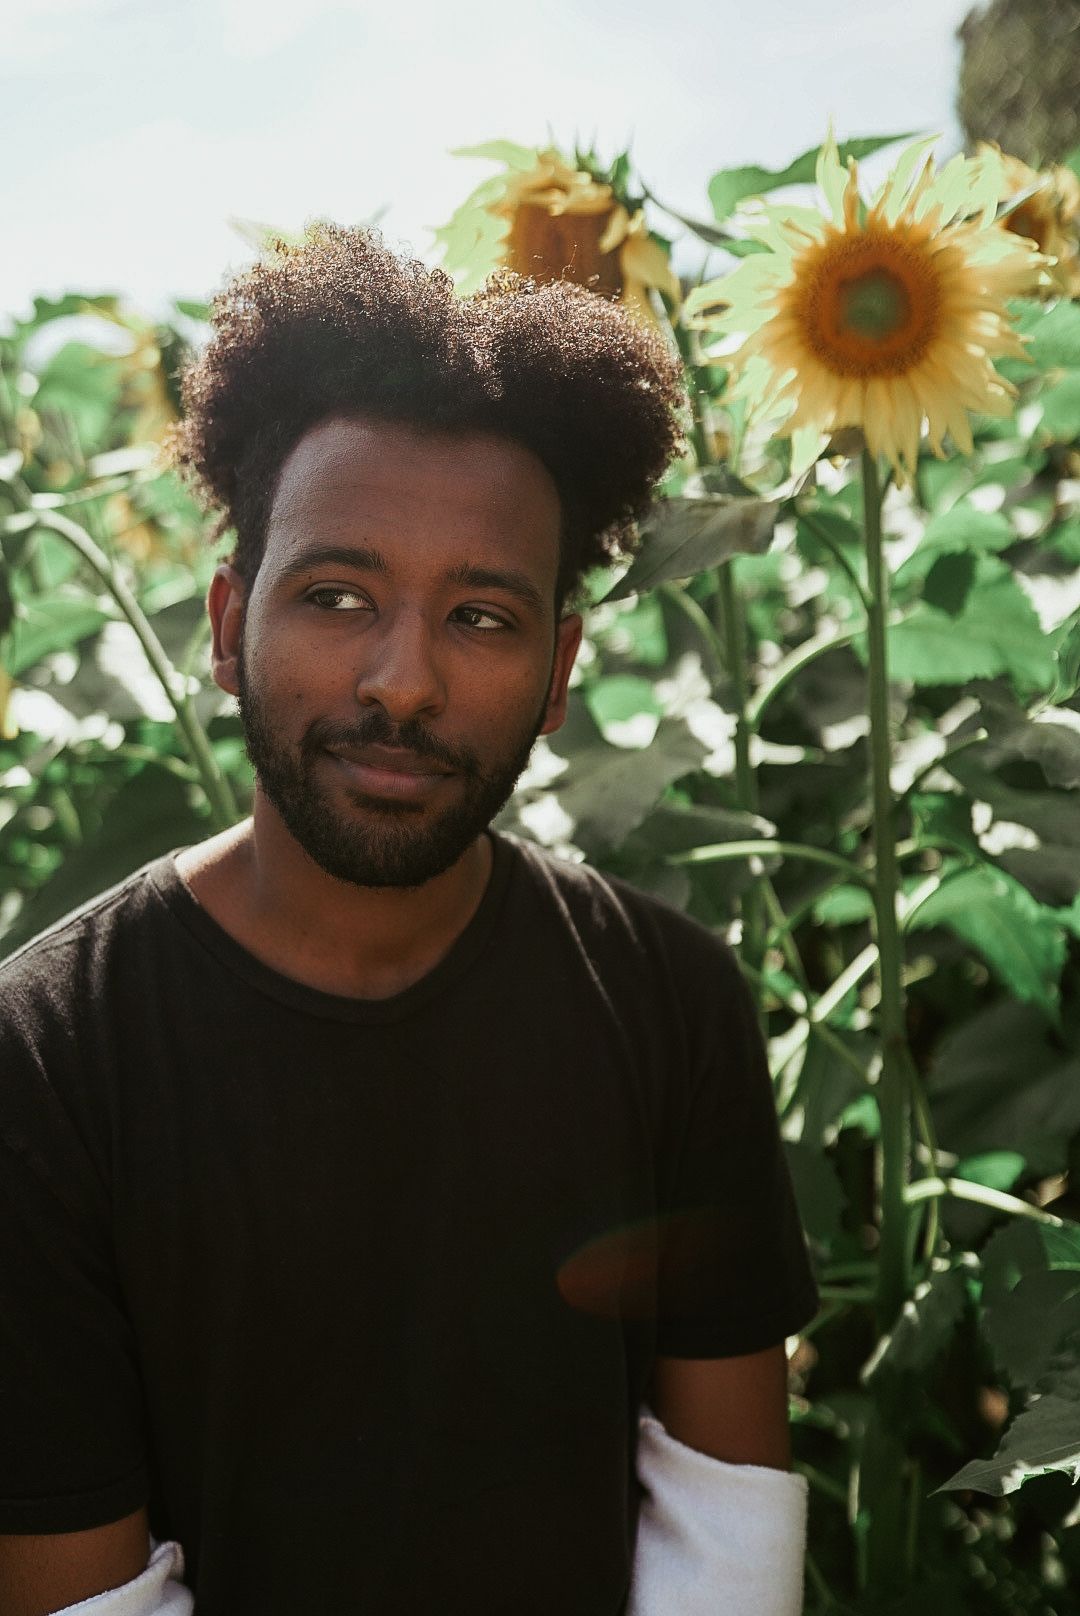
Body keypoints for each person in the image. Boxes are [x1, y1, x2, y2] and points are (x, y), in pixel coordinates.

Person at [0, 227, 818, 1616]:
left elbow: (724, 1546)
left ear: (561, 672)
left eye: (484, 618)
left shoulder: (671, 1004)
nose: (403, 682)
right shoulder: (45, 1059)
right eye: (336, 597)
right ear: (225, 624)